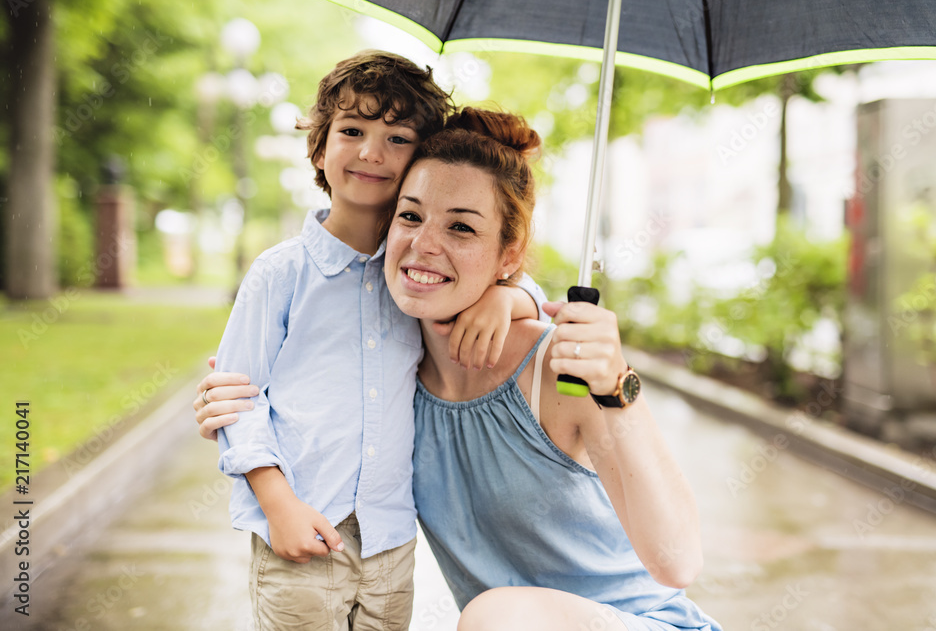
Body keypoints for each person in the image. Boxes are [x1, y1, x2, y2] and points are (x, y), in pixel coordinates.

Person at [197, 107, 722, 631]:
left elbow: (677, 562)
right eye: (410, 215)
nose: (424, 245)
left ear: (507, 255)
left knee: (498, 615)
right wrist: (233, 399)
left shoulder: (561, 371)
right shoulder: (396, 378)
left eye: (462, 227)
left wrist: (617, 389)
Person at [210, 53, 546, 631]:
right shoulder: (281, 274)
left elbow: (523, 284)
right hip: (301, 528)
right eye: (352, 132)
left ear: (420, 162)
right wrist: (278, 505)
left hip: (389, 537)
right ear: (319, 149)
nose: (371, 152)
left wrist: (507, 298)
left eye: (397, 138)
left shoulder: (419, 272)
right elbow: (236, 401)